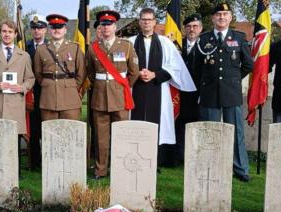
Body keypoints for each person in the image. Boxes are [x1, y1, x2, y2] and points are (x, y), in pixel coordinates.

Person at [129, 8, 195, 167]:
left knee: (159, 121)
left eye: (149, 19)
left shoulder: (165, 42)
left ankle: (157, 160)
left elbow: (175, 67)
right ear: (139, 21)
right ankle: (134, 156)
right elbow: (122, 66)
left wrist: (155, 75)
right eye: (143, 19)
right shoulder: (129, 42)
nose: (146, 22)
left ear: (154, 22)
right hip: (135, 89)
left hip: (158, 88)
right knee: (134, 120)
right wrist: (136, 74)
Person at [194, 3, 254, 182]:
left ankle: (241, 169)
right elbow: (197, 68)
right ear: (212, 18)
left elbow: (248, 64)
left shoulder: (239, 37)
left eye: (225, 14)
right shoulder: (203, 39)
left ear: (230, 17)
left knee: (236, 132)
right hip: (209, 92)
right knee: (209, 132)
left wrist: (233, 79)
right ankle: (209, 166)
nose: (221, 17)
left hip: (231, 92)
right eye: (218, 14)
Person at [86, 10, 139, 179]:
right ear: (100, 27)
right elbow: (90, 73)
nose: (106, 27)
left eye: (109, 24)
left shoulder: (126, 46)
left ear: (115, 26)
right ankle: (100, 170)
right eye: (103, 24)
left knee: (122, 135)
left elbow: (134, 72)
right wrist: (101, 87)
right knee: (101, 137)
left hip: (120, 97)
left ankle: (121, 169)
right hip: (100, 97)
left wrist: (122, 88)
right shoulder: (93, 48)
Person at [0, 20, 35, 175]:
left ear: (16, 34)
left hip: (16, 104)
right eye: (4, 31)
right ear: (0, 33)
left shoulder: (24, 56)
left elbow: (30, 79)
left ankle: (14, 173)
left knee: (14, 142)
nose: (7, 34)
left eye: (10, 32)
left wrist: (22, 87)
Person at [34, 14, 86, 121]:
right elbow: (38, 74)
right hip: (48, 99)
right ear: (49, 30)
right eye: (53, 27)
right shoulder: (41, 49)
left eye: (60, 27)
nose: (56, 30)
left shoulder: (74, 48)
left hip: (70, 99)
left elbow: (81, 73)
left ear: (65, 30)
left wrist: (71, 86)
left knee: (71, 132)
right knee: (50, 134)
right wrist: (49, 84)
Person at [175, 14, 203, 163]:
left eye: (195, 26)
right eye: (188, 27)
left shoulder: (206, 45)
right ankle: (180, 156)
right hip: (181, 93)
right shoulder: (177, 45)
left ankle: (196, 156)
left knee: (197, 124)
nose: (192, 29)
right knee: (180, 124)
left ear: (201, 28)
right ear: (185, 29)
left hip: (200, 93)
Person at [26, 14, 48, 170]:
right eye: (34, 28)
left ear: (45, 30)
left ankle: (48, 158)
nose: (36, 31)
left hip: (46, 92)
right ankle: (34, 162)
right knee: (32, 128)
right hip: (29, 92)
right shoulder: (23, 47)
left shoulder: (51, 47)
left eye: (39, 28)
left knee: (46, 127)